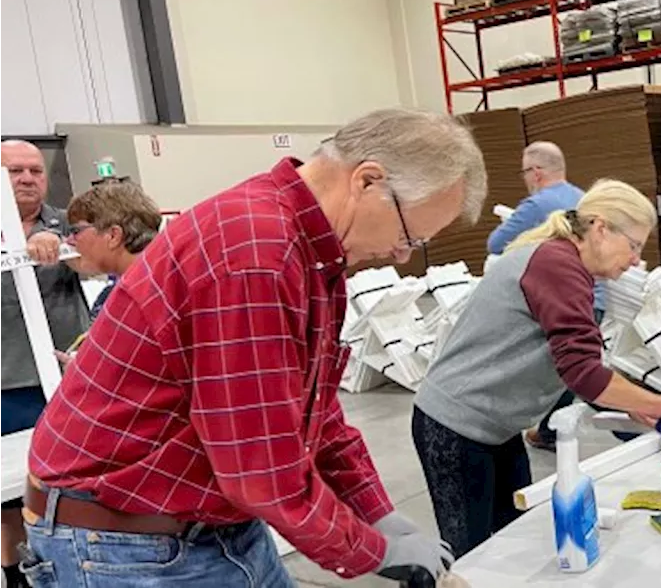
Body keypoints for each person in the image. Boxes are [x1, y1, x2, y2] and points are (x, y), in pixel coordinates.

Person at [19, 109, 488, 587]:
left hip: (210, 526)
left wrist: (376, 511)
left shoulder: (311, 254)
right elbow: (261, 471)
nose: (402, 254)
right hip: (126, 545)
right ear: (367, 181)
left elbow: (314, 412)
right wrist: (371, 549)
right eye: (411, 236)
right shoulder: (255, 253)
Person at [412, 178, 661, 558]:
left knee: (512, 536)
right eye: (633, 245)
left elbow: (577, 365)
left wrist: (630, 403)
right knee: (470, 553)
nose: (636, 259)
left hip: (496, 425)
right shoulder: (557, 265)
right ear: (600, 228)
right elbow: (583, 373)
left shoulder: (564, 262)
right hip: (456, 425)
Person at [0, 140, 89, 588]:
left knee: (70, 484)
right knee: (8, 493)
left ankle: (72, 566)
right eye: (16, 171)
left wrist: (60, 241)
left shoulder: (68, 221)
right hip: (7, 383)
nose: (28, 179)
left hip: (68, 381)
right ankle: (15, 574)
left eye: (35, 170)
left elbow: (96, 260)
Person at [488, 142, 614, 450]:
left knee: (571, 372)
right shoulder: (584, 198)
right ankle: (549, 430)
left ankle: (638, 421)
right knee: (575, 367)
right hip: (595, 296)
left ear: (536, 172)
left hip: (559, 300)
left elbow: (495, 244)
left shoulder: (536, 206)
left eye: (524, 172)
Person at [51, 180, 164, 368]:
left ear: (113, 235)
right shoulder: (116, 293)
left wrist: (94, 371)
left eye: (76, 231)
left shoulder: (153, 293)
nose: (70, 241)